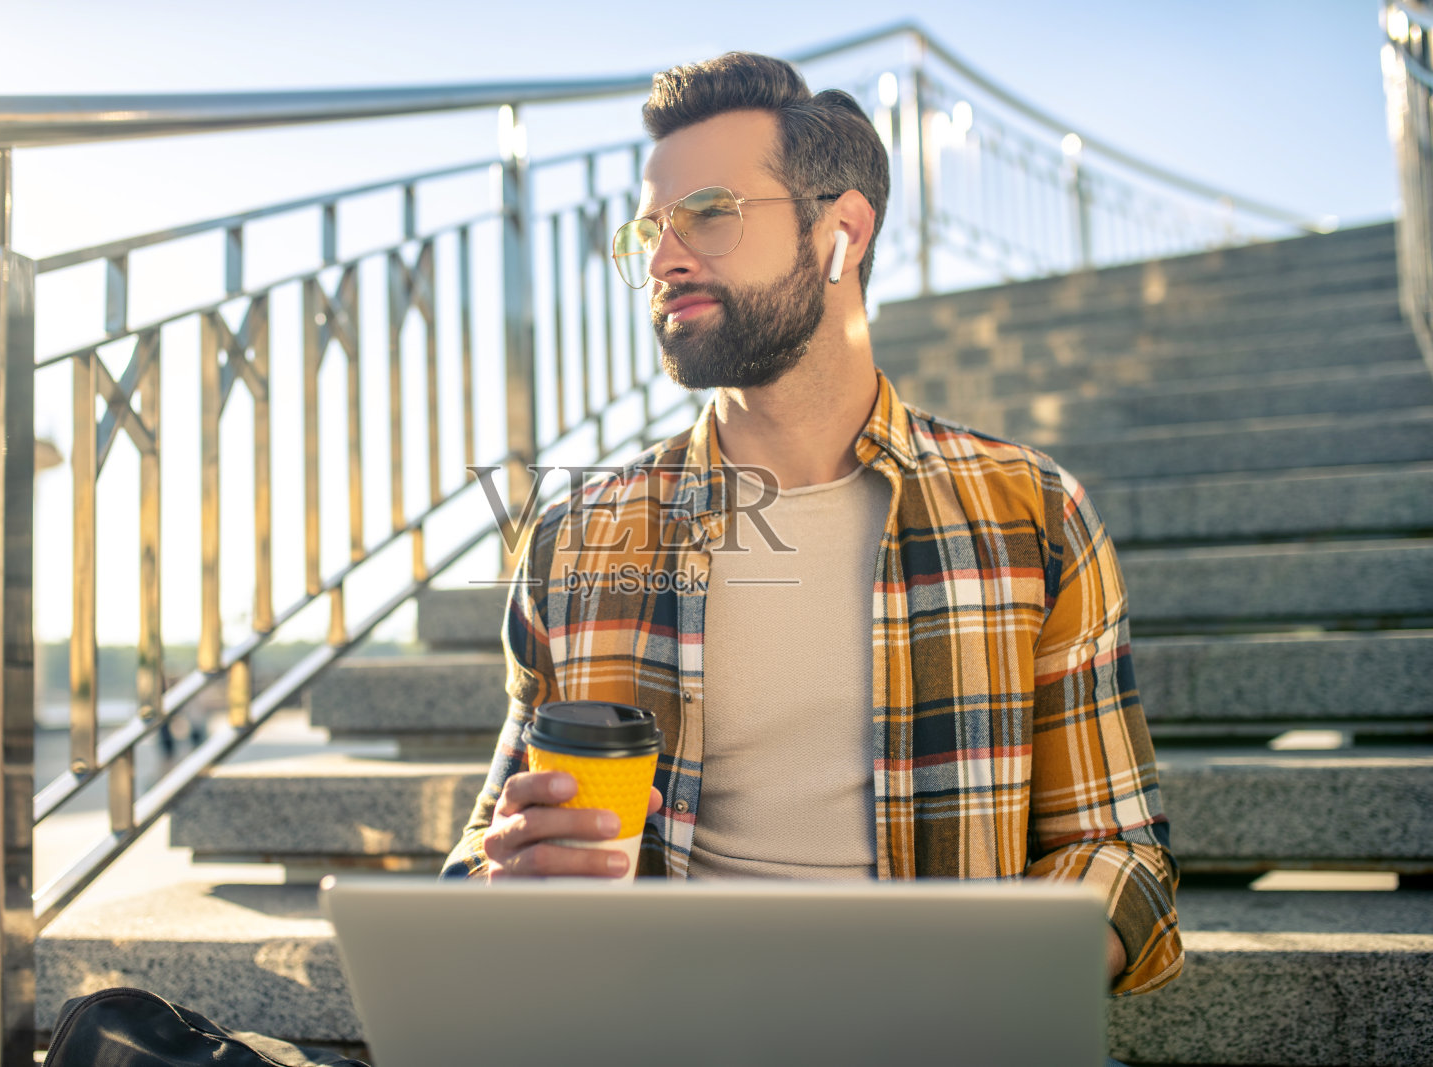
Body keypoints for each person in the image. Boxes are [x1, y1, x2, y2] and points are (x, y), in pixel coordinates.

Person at [440, 51, 1182, 1005]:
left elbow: (1117, 851)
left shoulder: (1031, 514)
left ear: (842, 232)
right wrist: (503, 877)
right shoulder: (578, 538)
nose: (665, 258)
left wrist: (989, 1000)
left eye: (709, 213)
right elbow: (487, 846)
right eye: (650, 231)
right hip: (650, 1031)